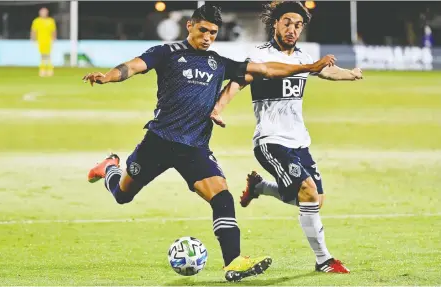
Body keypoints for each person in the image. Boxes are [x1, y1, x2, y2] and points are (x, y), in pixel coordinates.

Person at [82, 4, 334, 282]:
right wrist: (108, 77)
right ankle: (109, 168)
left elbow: (266, 69)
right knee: (122, 195)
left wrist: (309, 67)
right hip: (158, 142)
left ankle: (233, 262)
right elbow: (132, 66)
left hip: (194, 149)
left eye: (213, 32)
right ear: (190, 26)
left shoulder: (219, 62)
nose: (208, 37)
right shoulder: (166, 53)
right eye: (203, 30)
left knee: (222, 196)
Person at [210, 1, 363, 274]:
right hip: (271, 140)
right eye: (287, 23)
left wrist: (349, 74)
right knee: (307, 191)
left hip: (299, 141)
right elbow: (237, 83)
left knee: (315, 200)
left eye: (298, 25)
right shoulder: (258, 55)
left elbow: (325, 71)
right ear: (275, 24)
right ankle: (324, 260)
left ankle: (259, 188)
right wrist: (218, 109)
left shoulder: (303, 57)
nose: (292, 29)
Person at [31, 7, 56, 77]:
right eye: (42, 12)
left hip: (48, 41)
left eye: (44, 12)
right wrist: (33, 39)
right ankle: (42, 70)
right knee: (42, 56)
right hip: (40, 41)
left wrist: (53, 39)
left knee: (48, 56)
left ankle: (50, 70)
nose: (43, 13)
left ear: (47, 13)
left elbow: (53, 31)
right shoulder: (36, 21)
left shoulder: (51, 21)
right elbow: (34, 31)